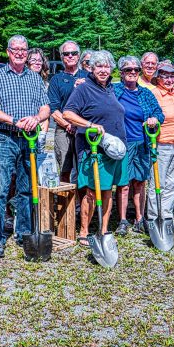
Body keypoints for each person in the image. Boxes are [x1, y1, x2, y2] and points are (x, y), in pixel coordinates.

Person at [0, 35, 50, 257]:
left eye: (23, 50)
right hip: (4, 137)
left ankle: (24, 233)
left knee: (26, 187)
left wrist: (36, 118)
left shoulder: (34, 78)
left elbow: (46, 107)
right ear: (8, 52)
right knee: (1, 189)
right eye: (15, 49)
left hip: (29, 138)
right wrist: (14, 120)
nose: (19, 53)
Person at [63, 50, 128, 245]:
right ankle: (83, 231)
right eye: (99, 66)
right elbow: (67, 113)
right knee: (92, 192)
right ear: (91, 68)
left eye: (106, 66)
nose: (103, 70)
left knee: (108, 190)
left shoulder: (113, 88)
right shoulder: (83, 89)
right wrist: (90, 125)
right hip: (93, 149)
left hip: (115, 148)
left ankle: (104, 229)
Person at [112, 55, 164, 236]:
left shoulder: (145, 93)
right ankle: (122, 220)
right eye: (128, 70)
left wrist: (154, 118)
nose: (132, 73)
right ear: (121, 73)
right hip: (122, 144)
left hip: (142, 143)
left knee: (140, 182)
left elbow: (159, 113)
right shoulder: (114, 90)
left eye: (136, 70)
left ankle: (140, 218)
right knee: (123, 184)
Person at [147, 61, 174, 232]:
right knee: (158, 183)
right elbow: (149, 117)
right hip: (162, 144)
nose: (169, 79)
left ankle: (167, 215)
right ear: (158, 78)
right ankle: (154, 218)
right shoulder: (153, 94)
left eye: (172, 76)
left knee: (173, 183)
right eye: (164, 76)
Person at [48, 40, 89, 183]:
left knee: (84, 169)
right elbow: (53, 108)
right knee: (65, 170)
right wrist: (68, 125)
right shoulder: (56, 80)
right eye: (66, 54)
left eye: (74, 53)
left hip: (84, 130)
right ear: (62, 57)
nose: (70, 56)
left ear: (79, 56)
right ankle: (66, 204)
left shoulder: (89, 77)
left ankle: (82, 204)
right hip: (64, 130)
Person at [26, 47, 51, 151]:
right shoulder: (22, 81)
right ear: (27, 62)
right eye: (33, 60)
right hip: (25, 127)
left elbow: (47, 109)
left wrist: (43, 133)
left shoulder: (46, 84)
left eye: (40, 60)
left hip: (40, 128)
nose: (37, 63)